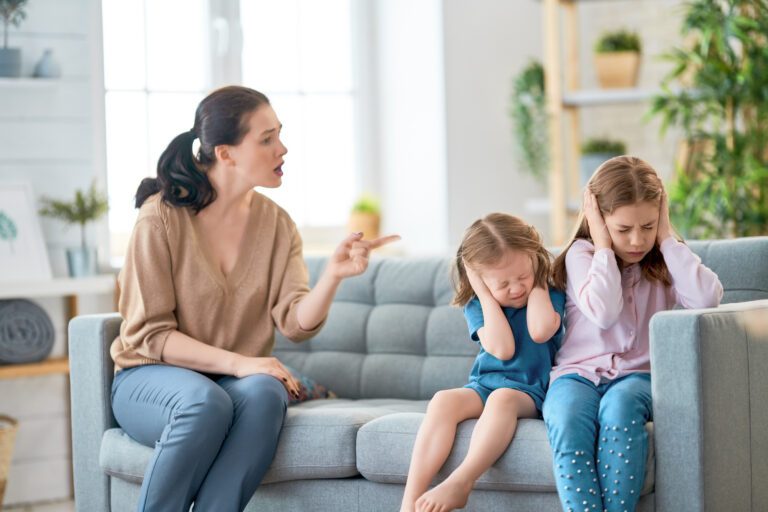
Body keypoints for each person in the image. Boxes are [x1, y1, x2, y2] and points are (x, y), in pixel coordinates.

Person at [109, 85, 399, 512]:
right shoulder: (160, 218)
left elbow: (294, 323)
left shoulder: (278, 225)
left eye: (279, 134)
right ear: (225, 153)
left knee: (266, 394)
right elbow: (150, 335)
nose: (282, 148)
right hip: (150, 378)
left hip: (230, 382)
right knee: (204, 402)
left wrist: (333, 276)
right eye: (267, 139)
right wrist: (241, 363)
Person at [543, 156, 723, 512]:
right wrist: (604, 247)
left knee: (620, 407)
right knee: (565, 417)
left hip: (639, 378)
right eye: (623, 229)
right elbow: (604, 313)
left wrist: (668, 237)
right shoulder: (583, 255)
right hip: (576, 375)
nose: (638, 239)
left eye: (648, 225)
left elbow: (707, 298)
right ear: (599, 220)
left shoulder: (664, 259)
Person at [400, 213, 565, 512]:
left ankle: (461, 481)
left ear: (535, 261)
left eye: (522, 277)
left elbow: (540, 332)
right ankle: (409, 502)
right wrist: (484, 294)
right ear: (478, 279)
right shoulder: (476, 305)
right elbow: (501, 348)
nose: (516, 289)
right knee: (442, 401)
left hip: (530, 391)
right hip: (484, 385)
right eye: (503, 283)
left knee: (502, 399)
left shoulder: (549, 294)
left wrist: (538, 276)